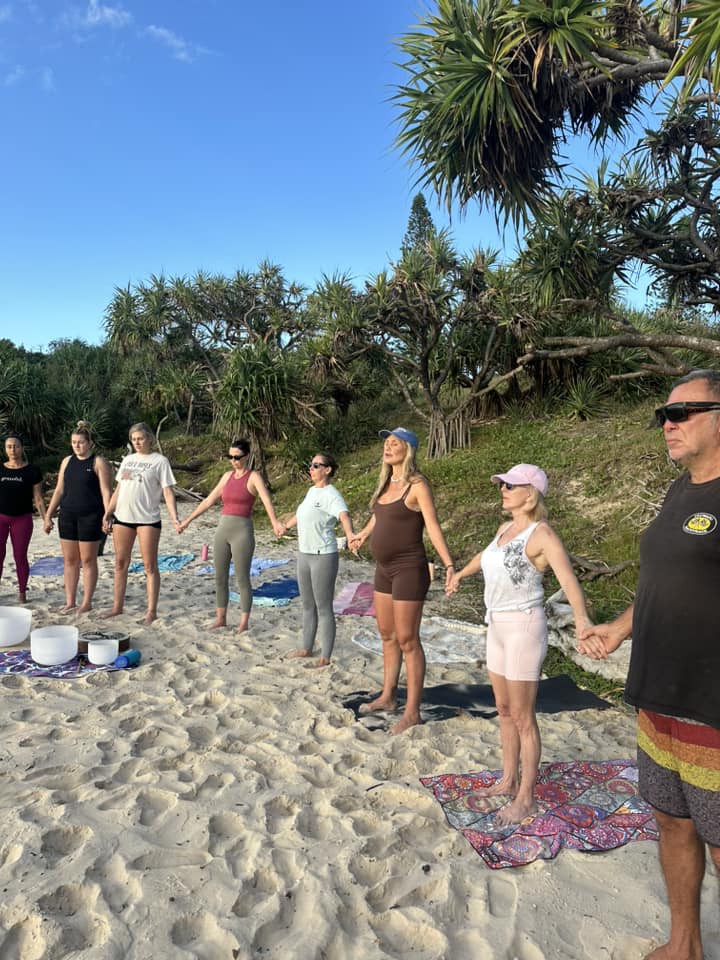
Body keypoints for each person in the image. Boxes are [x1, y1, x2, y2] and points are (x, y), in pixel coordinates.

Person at [579, 369, 720, 960]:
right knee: (672, 824)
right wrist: (618, 626)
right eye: (663, 414)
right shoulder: (676, 493)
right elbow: (664, 582)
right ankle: (684, 943)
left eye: (682, 412)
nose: (667, 423)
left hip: (712, 707)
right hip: (657, 698)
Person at [446, 464, 594, 825]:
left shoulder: (542, 534)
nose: (503, 490)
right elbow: (486, 558)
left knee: (524, 717)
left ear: (530, 494)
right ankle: (508, 780)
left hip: (524, 628)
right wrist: (461, 574)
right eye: (502, 484)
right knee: (503, 708)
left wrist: (583, 622)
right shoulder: (503, 530)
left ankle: (526, 796)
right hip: (496, 625)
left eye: (511, 485)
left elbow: (568, 581)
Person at [349, 427, 455, 735]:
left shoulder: (417, 484)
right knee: (386, 634)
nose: (388, 446)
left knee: (408, 639)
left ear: (408, 449)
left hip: (410, 568)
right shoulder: (385, 483)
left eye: (395, 443)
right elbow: (378, 517)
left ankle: (412, 712)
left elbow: (433, 526)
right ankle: (388, 696)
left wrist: (448, 564)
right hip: (383, 568)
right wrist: (362, 535)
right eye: (386, 442)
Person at [178, 439, 285, 632]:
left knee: (242, 577)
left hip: (242, 531)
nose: (233, 461)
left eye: (237, 457)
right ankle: (221, 618)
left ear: (246, 457)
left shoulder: (254, 477)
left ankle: (243, 622)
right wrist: (188, 520)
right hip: (222, 529)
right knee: (220, 577)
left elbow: (266, 499)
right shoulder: (227, 476)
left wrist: (274, 522)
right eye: (230, 457)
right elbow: (209, 500)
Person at [101, 422, 180, 625]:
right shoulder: (128, 460)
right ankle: (117, 607)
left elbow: (167, 491)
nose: (137, 442)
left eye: (141, 438)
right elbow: (119, 489)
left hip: (147, 519)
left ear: (149, 439)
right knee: (120, 563)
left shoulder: (159, 461)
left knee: (149, 566)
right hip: (123, 518)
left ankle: (151, 611)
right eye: (134, 439)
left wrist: (174, 517)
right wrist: (108, 512)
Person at [281, 452, 355, 666]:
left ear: (327, 469)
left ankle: (325, 656)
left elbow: (343, 515)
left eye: (315, 465)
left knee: (323, 607)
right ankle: (306, 648)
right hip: (304, 554)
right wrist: (285, 526)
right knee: (307, 605)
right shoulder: (311, 491)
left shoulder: (332, 494)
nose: (310, 469)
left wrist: (350, 535)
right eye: (310, 465)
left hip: (323, 556)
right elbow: (301, 515)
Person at [43, 421, 112, 613]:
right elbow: (59, 490)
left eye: (80, 442)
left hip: (91, 516)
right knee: (70, 560)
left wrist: (107, 515)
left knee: (88, 560)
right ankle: (70, 601)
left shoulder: (99, 463)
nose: (76, 446)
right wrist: (48, 515)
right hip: (67, 515)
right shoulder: (67, 461)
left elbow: (106, 492)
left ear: (90, 443)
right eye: (73, 442)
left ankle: (86, 602)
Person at [0, 432, 46, 603]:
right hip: (1, 518)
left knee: (20, 556)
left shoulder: (32, 471)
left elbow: (39, 499)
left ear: (22, 448)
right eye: (9, 446)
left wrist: (46, 519)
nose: (13, 449)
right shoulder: (1, 469)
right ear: (5, 449)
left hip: (22, 519)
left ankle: (21, 592)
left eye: (16, 446)